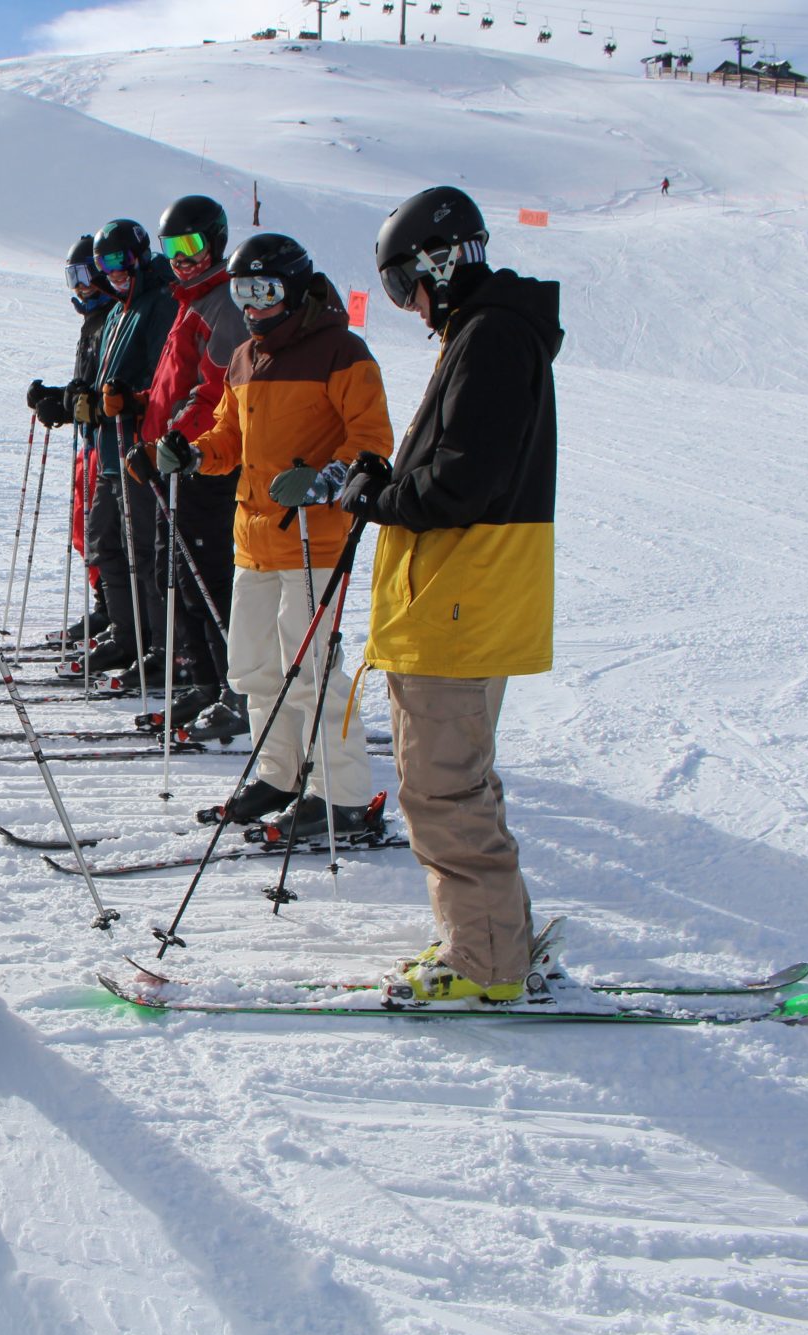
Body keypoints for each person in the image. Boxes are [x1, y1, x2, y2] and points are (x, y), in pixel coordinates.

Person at [343, 185, 562, 1003]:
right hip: (452, 595)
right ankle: (498, 938)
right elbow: (456, 463)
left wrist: (383, 499)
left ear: (438, 262)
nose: (408, 305)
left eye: (405, 286)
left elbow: (463, 482)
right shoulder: (486, 334)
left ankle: (487, 961)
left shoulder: (493, 336)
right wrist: (386, 481)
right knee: (457, 779)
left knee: (443, 786)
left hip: (459, 597)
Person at [157, 232, 390, 837]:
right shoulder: (244, 358)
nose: (253, 304)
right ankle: (278, 774)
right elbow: (227, 439)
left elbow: (372, 441)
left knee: (309, 669)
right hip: (252, 539)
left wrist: (325, 479)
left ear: (293, 288)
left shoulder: (342, 353)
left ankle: (342, 795)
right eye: (242, 292)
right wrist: (192, 454)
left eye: (264, 290)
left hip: (314, 539)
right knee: (254, 668)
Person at [136, 193, 249, 736]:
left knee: (207, 577)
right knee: (177, 575)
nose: (179, 257)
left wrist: (175, 440)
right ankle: (201, 682)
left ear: (216, 242)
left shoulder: (223, 303)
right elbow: (172, 390)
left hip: (204, 464)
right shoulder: (190, 301)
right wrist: (142, 420)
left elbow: (215, 390)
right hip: (174, 462)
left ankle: (235, 689)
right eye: (171, 247)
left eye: (191, 244)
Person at [85, 218, 179, 688]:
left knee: (145, 551)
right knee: (104, 543)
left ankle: (167, 648)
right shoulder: (121, 309)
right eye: (104, 264)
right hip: (109, 448)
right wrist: (84, 400)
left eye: (120, 260)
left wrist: (129, 398)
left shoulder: (158, 303)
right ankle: (127, 635)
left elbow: (163, 379)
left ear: (140, 255)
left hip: (137, 449)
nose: (113, 271)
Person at [26, 234, 118, 647]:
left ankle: (119, 613)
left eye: (84, 274)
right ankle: (107, 607)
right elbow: (88, 386)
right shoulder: (94, 321)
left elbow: (111, 388)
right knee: (85, 528)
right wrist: (58, 398)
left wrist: (69, 406)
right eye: (71, 277)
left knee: (103, 530)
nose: (79, 286)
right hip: (91, 438)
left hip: (110, 439)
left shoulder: (115, 317)